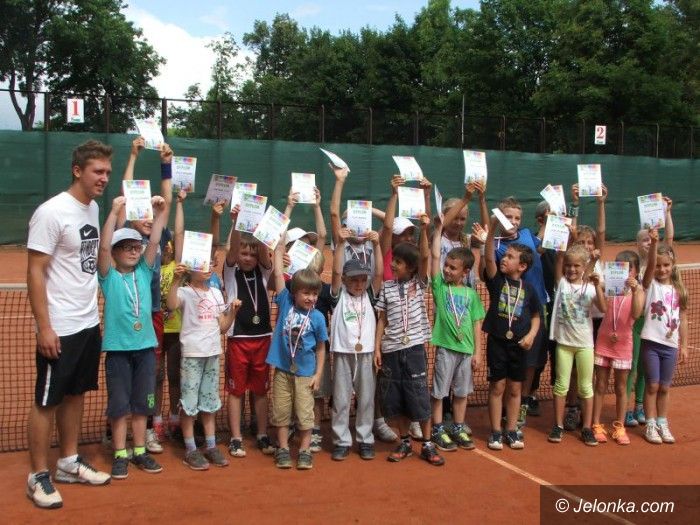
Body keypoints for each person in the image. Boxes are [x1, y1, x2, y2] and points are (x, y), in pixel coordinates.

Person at [26, 140, 113, 509]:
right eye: (98, 171)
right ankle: (37, 475)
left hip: (87, 322)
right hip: (59, 326)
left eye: (107, 172)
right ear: (78, 171)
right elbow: (35, 271)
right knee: (47, 401)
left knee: (76, 394)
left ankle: (68, 462)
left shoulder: (92, 208)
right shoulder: (51, 213)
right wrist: (45, 327)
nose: (104, 178)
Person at [98, 193, 169, 480]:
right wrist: (114, 212)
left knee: (142, 404)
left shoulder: (144, 271)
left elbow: (154, 240)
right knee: (119, 406)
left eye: (135, 247)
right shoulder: (108, 277)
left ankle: (139, 451)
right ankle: (120, 454)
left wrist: (159, 213)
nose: (132, 251)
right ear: (115, 253)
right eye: (125, 247)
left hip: (145, 349)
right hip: (118, 351)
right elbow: (103, 247)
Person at [117, 137, 173, 453]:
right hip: (126, 317)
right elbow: (128, 194)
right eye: (144, 214)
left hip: (152, 315)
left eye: (153, 215)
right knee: (123, 373)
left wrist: (166, 164)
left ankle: (149, 427)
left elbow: (166, 202)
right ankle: (116, 428)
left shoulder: (157, 238)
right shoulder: (125, 238)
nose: (150, 218)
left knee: (152, 373)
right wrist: (133, 156)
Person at [374, 215, 444, 466]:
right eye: (394, 261)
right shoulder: (387, 287)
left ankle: (427, 443)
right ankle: (404, 441)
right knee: (397, 398)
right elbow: (382, 320)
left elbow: (425, 257)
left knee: (418, 396)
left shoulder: (419, 283)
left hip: (413, 349)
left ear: (412, 268)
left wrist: (424, 230)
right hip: (391, 349)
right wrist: (377, 348)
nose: (394, 265)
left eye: (399, 262)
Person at [477, 191, 547, 430]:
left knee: (529, 365)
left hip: (530, 311)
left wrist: (556, 219)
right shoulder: (497, 249)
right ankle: (500, 425)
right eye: (508, 217)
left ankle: (520, 409)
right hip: (502, 328)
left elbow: (543, 247)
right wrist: (489, 233)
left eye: (517, 218)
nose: (513, 222)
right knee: (499, 383)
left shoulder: (527, 235)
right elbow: (488, 262)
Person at [167, 263, 241, 469]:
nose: (207, 267)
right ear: (190, 268)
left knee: (209, 401)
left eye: (209, 263)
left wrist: (233, 312)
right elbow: (171, 305)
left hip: (212, 353)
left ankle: (211, 446)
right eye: (202, 263)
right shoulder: (184, 291)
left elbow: (223, 327)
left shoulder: (216, 293)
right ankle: (190, 449)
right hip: (192, 354)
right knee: (189, 403)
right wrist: (175, 280)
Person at [267, 230, 329, 470]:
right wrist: (280, 243)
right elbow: (277, 272)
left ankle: (304, 450)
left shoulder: (318, 317)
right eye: (306, 293)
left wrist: (318, 374)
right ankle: (283, 448)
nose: (311, 298)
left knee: (305, 414)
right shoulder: (285, 301)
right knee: (281, 412)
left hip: (306, 374)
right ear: (294, 293)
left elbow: (321, 348)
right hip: (283, 370)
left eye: (314, 294)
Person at [429, 212, 485, 452]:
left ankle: (458, 426)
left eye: (453, 268)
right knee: (440, 392)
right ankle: (437, 428)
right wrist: (438, 231)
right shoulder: (440, 287)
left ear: (465, 272)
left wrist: (477, 352)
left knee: (462, 392)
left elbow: (476, 324)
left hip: (466, 350)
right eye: (446, 266)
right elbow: (434, 256)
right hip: (446, 348)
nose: (447, 270)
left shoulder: (471, 294)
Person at [223, 205, 275, 458]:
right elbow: (232, 250)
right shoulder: (230, 272)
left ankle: (262, 434)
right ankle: (236, 438)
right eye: (244, 253)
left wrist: (262, 226)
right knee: (236, 391)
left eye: (251, 255)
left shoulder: (263, 272)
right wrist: (235, 222)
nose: (247, 258)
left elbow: (264, 253)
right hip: (239, 339)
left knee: (261, 390)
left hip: (262, 338)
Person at [329, 229, 383, 461]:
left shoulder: (370, 295)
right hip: (343, 352)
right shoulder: (338, 295)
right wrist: (340, 243)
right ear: (344, 280)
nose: (359, 284)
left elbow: (379, 273)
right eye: (354, 279)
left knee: (367, 398)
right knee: (341, 399)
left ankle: (365, 439)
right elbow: (335, 270)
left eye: (362, 279)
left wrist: (377, 245)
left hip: (367, 353)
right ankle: (341, 440)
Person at [547, 243, 607, 446]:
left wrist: (597, 285)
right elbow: (560, 259)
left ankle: (587, 428)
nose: (571, 269)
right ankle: (558, 425)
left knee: (586, 387)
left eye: (576, 266)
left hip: (585, 346)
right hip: (564, 344)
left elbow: (603, 308)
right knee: (561, 386)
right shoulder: (562, 283)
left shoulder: (590, 288)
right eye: (568, 265)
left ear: (584, 267)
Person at [627, 197, 674, 427]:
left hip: (652, 324)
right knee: (632, 366)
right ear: (638, 244)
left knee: (646, 370)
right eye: (644, 240)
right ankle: (626, 409)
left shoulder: (659, 260)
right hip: (636, 323)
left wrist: (667, 213)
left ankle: (638, 406)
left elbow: (669, 240)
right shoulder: (636, 265)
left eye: (650, 239)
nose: (648, 242)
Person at [639, 229, 687, 444]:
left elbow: (683, 318)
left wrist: (683, 345)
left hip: (671, 346)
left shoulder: (679, 289)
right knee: (652, 385)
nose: (662, 269)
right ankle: (650, 424)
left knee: (665, 387)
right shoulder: (651, 285)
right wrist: (654, 244)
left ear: (673, 265)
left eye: (666, 265)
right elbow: (650, 266)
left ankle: (662, 422)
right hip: (651, 343)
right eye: (659, 265)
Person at [592, 251, 645, 445]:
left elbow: (637, 313)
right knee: (600, 384)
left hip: (623, 344)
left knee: (621, 387)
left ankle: (620, 426)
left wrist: (636, 290)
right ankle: (595, 424)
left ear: (636, 271)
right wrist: (597, 285)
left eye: (629, 268)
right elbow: (602, 308)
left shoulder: (639, 292)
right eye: (620, 267)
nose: (625, 272)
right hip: (604, 341)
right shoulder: (610, 287)